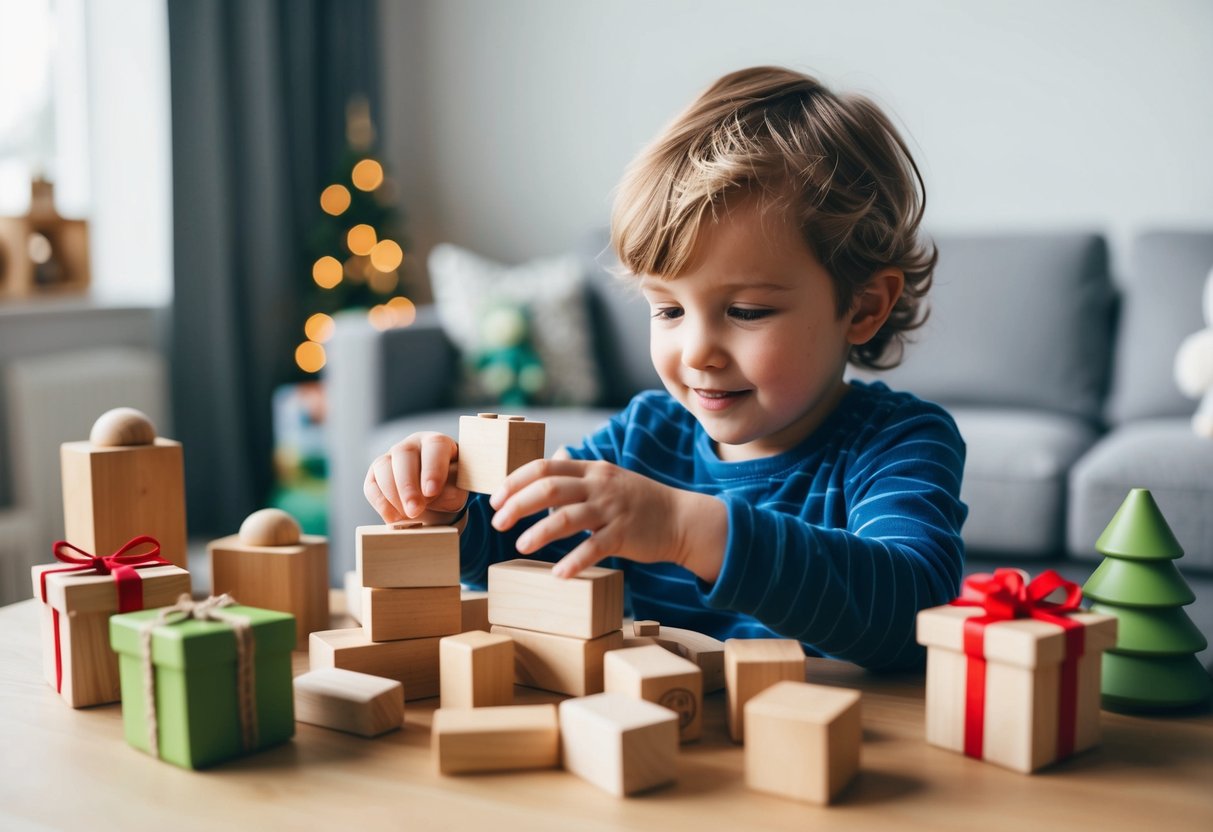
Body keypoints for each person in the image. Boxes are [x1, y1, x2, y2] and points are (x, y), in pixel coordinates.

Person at [364, 66, 967, 669]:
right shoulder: (644, 439)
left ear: (862, 307)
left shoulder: (899, 444)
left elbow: (912, 611)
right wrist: (451, 510)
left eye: (746, 310)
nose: (697, 351)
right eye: (669, 309)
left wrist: (688, 529)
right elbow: (521, 550)